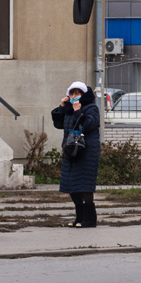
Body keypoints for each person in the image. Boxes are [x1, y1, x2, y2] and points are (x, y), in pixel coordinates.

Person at [52, 81, 101, 228]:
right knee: (71, 186)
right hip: (71, 151)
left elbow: (89, 125)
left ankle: (90, 219)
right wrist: (62, 106)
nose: (74, 96)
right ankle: (79, 218)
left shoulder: (91, 108)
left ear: (83, 94)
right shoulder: (69, 109)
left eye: (77, 93)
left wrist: (78, 111)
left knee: (84, 186)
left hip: (87, 151)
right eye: (71, 93)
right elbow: (58, 123)